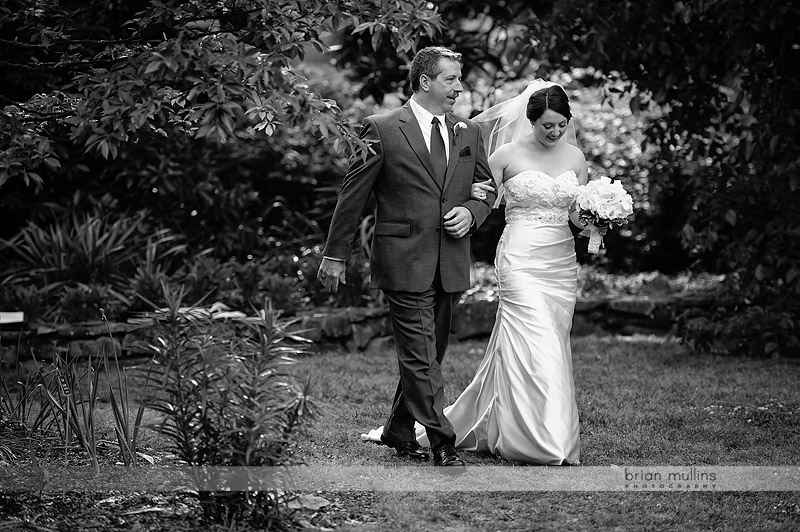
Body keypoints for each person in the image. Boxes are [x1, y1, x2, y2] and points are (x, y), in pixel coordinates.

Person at [362, 80, 588, 465]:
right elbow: (474, 192)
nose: (554, 132)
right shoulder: (503, 154)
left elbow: (575, 215)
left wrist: (600, 218)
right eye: (547, 124)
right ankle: (541, 439)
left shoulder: (577, 158)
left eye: (561, 124)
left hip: (560, 261)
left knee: (552, 339)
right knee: (536, 338)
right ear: (531, 120)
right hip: (520, 258)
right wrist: (466, 212)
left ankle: (520, 425)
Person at [318, 46, 497, 469]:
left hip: (450, 261)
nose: (459, 87)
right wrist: (335, 254)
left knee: (428, 357)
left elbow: (486, 188)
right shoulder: (380, 128)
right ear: (425, 82)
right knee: (420, 354)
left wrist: (471, 213)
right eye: (451, 79)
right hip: (402, 259)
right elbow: (352, 195)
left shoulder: (468, 131)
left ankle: (399, 430)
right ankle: (442, 442)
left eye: (459, 79)